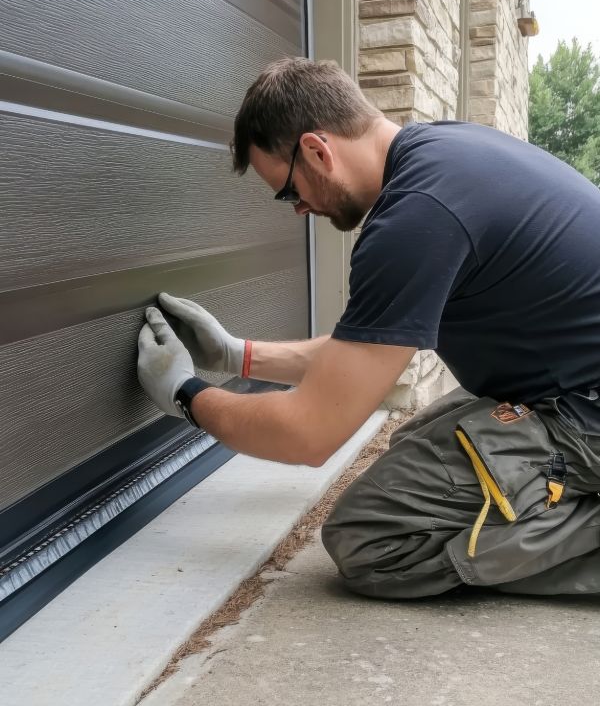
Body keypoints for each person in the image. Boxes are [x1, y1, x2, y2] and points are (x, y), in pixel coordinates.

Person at [137, 57, 600, 598]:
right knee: (414, 444)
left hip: (584, 413)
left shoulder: (416, 217)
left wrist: (186, 395)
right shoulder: (441, 155)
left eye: (288, 191)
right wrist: (237, 355)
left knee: (371, 539)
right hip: (571, 390)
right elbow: (357, 357)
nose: (297, 209)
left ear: (316, 150)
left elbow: (309, 433)